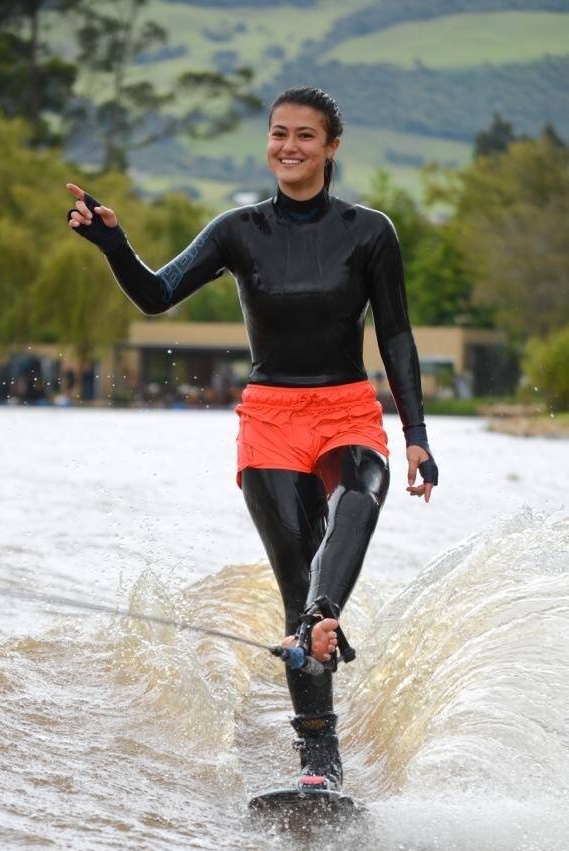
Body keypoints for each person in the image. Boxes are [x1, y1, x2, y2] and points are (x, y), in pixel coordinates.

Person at [67, 85, 438, 793]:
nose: (288, 147)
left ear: (332, 148)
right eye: (278, 135)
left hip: (346, 407)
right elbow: (155, 293)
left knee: (365, 486)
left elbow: (395, 333)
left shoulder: (370, 232)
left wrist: (415, 434)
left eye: (305, 136)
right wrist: (110, 241)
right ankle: (319, 763)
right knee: (296, 575)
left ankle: (323, 620)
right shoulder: (239, 230)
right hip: (270, 416)